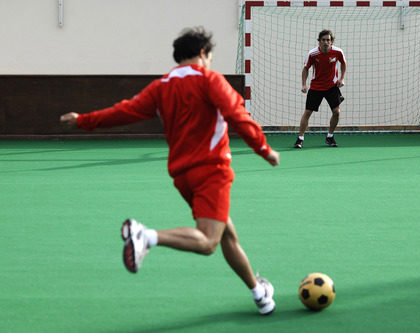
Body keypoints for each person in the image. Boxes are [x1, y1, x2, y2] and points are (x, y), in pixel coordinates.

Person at [60, 27, 280, 315]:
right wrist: (264, 150)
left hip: (183, 177)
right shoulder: (210, 80)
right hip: (212, 172)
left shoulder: (160, 87)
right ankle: (146, 236)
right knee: (208, 242)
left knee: (227, 234)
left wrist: (83, 121)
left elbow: (123, 111)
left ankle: (259, 293)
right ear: (203, 53)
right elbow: (237, 115)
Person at [294, 29, 347, 149]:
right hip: (316, 87)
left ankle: (330, 136)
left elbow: (343, 64)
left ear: (331, 41)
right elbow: (305, 69)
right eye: (323, 40)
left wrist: (342, 79)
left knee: (336, 112)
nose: (325, 42)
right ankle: (300, 139)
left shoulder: (338, 52)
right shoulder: (312, 54)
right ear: (319, 41)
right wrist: (303, 84)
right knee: (308, 112)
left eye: (328, 40)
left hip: (332, 87)